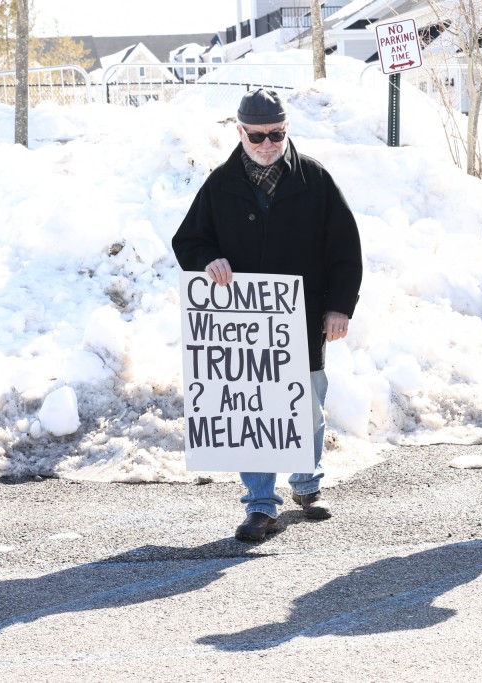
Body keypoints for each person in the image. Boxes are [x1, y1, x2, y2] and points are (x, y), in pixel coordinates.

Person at [173, 88, 363, 543]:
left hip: (304, 317)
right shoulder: (220, 185)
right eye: (256, 136)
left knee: (308, 407)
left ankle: (306, 484)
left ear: (287, 129)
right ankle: (260, 504)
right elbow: (189, 241)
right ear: (239, 132)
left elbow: (345, 249)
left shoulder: (315, 179)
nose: (266, 144)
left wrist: (340, 306)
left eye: (275, 134)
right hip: (244, 329)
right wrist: (208, 262)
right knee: (251, 408)